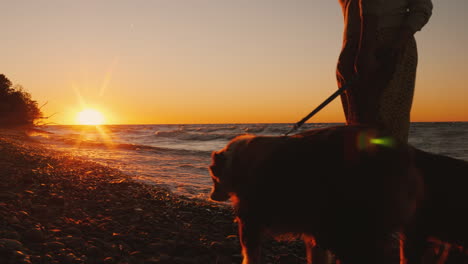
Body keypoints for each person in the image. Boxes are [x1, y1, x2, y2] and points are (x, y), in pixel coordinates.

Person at [337, 0, 433, 142]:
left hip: (377, 44)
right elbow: (422, 7)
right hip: (361, 44)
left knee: (372, 127)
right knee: (369, 128)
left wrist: (367, 49)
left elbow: (422, 7)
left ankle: (382, 160)